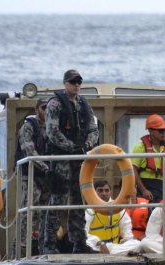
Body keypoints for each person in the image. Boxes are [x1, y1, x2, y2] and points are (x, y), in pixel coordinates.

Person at [42, 69, 98, 254]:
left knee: (78, 200)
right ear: (65, 83)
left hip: (79, 159)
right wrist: (71, 147)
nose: (77, 85)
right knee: (57, 200)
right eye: (73, 82)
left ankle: (79, 242)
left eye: (79, 82)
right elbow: (52, 132)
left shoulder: (84, 105)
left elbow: (93, 129)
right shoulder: (55, 104)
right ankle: (49, 243)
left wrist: (86, 146)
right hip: (60, 160)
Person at [14, 98, 50, 256]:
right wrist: (45, 166)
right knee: (28, 210)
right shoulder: (28, 127)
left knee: (46, 211)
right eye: (44, 107)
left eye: (49, 108)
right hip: (31, 174)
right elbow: (29, 150)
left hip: (48, 176)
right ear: (36, 109)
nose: (46, 111)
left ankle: (45, 245)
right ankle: (22, 247)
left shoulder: (53, 128)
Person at [84, 180, 141, 254]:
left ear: (110, 192)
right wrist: (99, 243)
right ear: (94, 192)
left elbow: (126, 228)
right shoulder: (89, 210)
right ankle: (116, 253)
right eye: (100, 191)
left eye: (106, 190)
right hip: (97, 247)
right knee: (87, 243)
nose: (104, 193)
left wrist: (127, 239)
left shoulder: (118, 207)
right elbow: (83, 233)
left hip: (114, 247)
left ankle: (113, 253)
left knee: (137, 244)